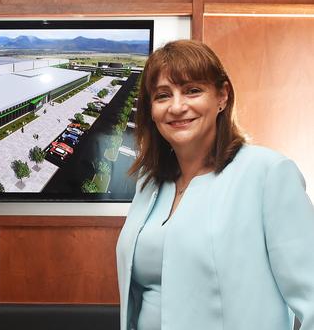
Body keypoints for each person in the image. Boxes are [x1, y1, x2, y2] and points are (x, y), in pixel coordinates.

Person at [116, 40, 314, 330]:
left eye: (192, 90)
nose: (177, 106)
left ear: (222, 96)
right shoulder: (148, 182)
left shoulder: (268, 174)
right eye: (162, 95)